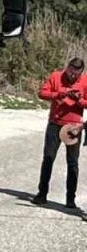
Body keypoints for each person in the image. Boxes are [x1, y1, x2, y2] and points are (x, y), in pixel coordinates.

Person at [35, 57, 87, 207]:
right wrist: (59, 94)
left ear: (81, 73)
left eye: (76, 74)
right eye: (70, 72)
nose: (72, 76)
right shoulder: (56, 76)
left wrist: (79, 100)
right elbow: (42, 93)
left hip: (74, 127)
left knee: (72, 163)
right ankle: (41, 194)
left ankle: (70, 199)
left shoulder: (84, 81)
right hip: (55, 123)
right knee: (48, 158)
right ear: (67, 67)